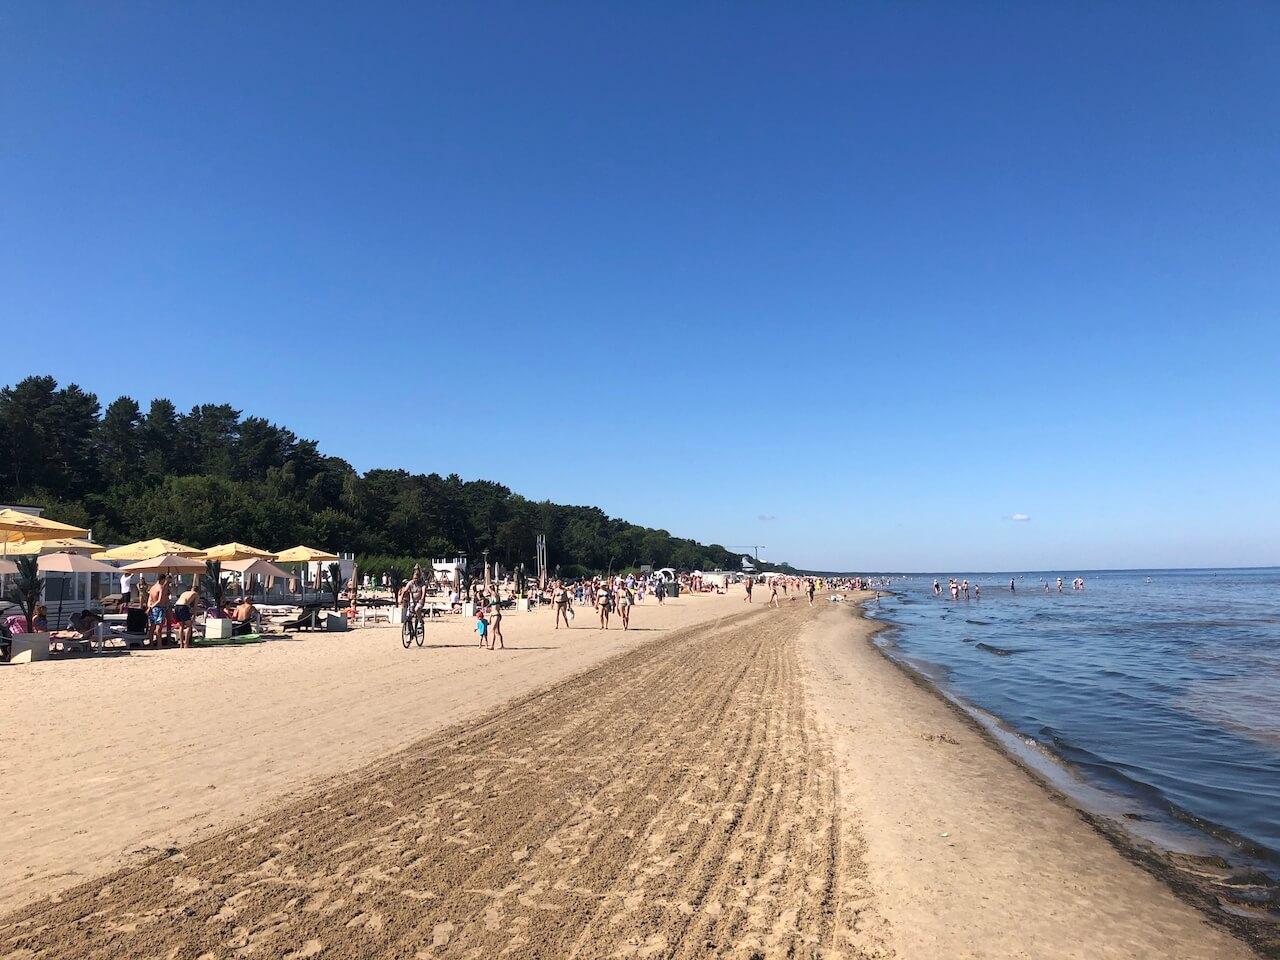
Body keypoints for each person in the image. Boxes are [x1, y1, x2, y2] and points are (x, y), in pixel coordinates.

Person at [147, 574, 171, 646]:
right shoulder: (161, 588)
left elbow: (149, 599)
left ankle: (151, 644)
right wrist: (153, 606)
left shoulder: (152, 588)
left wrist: (150, 607)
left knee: (152, 627)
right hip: (159, 608)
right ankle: (159, 645)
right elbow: (160, 600)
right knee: (159, 628)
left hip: (153, 608)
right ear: (163, 579)